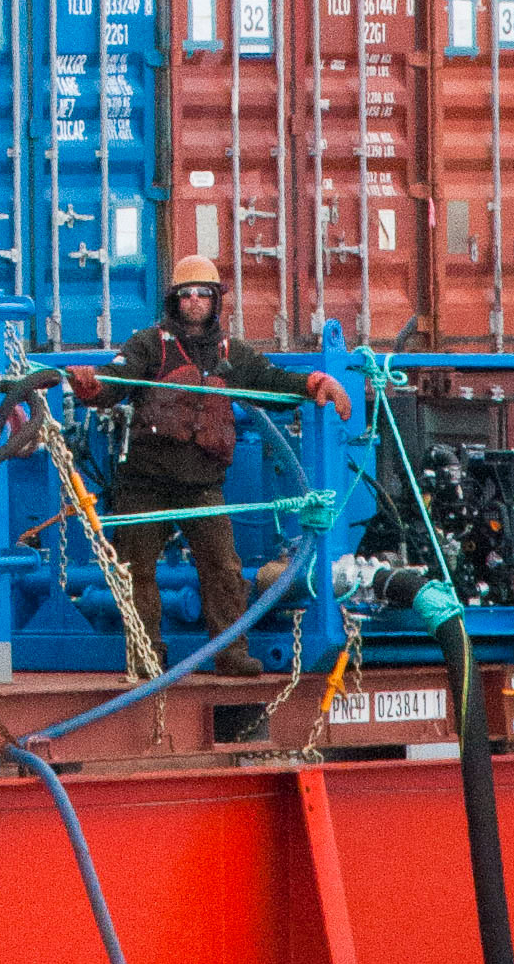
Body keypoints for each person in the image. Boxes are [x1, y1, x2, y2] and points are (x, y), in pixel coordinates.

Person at [67, 257, 349, 677]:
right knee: (135, 571)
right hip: (144, 484)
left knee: (224, 568)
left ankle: (231, 653)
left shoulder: (231, 354)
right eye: (186, 294)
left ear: (216, 301)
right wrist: (92, 386)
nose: (195, 300)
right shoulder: (148, 345)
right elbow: (116, 380)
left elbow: (271, 382)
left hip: (202, 485)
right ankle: (146, 658)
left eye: (203, 293)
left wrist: (316, 384)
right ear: (173, 300)